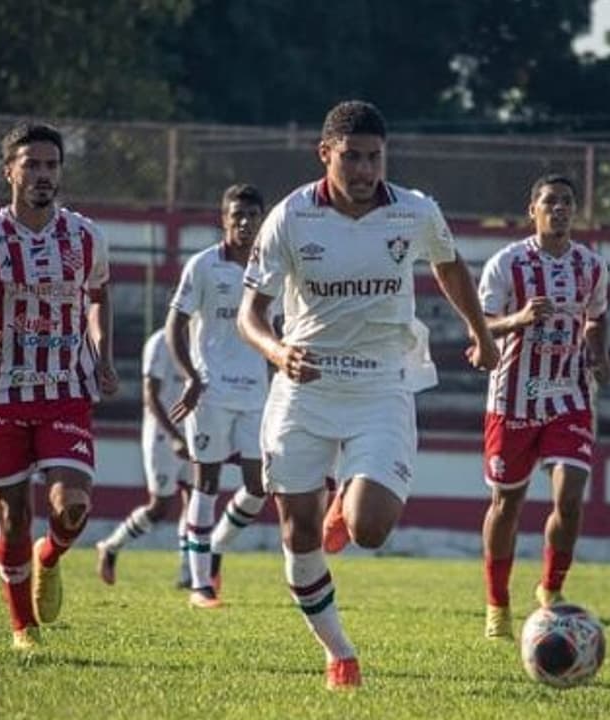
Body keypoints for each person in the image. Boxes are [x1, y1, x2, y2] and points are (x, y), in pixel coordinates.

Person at [237, 100, 498, 690]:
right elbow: (249, 314)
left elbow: (451, 268)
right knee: (298, 536)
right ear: (325, 154)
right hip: (304, 388)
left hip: (382, 384)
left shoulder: (415, 212)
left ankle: (346, 502)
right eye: (351, 156)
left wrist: (480, 334)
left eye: (374, 158)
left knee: (371, 527)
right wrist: (277, 352)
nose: (363, 170)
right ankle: (340, 653)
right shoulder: (290, 218)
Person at [0, 122, 116, 650]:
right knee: (13, 518)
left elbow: (100, 296)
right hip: (0, 394)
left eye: (51, 165)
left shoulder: (85, 236)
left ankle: (51, 555)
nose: (42, 175)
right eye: (32, 165)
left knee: (72, 505)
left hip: (66, 388)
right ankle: (23, 629)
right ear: (9, 171)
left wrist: (103, 356)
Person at [477, 174, 610, 640]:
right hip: (513, 395)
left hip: (567, 393)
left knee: (569, 495)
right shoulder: (506, 263)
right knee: (506, 503)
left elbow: (596, 318)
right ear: (532, 208)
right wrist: (519, 318)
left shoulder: (592, 266)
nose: (559, 209)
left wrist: (599, 354)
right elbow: (483, 325)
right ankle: (497, 604)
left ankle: (551, 589)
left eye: (567, 202)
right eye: (549, 201)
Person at [167, 183, 271, 609]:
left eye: (252, 215)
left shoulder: (271, 267)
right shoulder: (204, 266)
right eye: (237, 215)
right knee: (206, 484)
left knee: (259, 484)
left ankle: (216, 550)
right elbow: (175, 325)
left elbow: (277, 328)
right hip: (210, 391)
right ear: (223, 219)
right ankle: (200, 586)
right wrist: (191, 377)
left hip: (256, 394)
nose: (245, 223)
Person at [95, 326, 191, 586]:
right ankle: (111, 546)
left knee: (196, 500)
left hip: (193, 433)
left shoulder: (204, 338)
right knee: (160, 507)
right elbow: (150, 395)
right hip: (162, 435)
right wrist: (173, 436)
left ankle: (188, 573)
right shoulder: (160, 342)